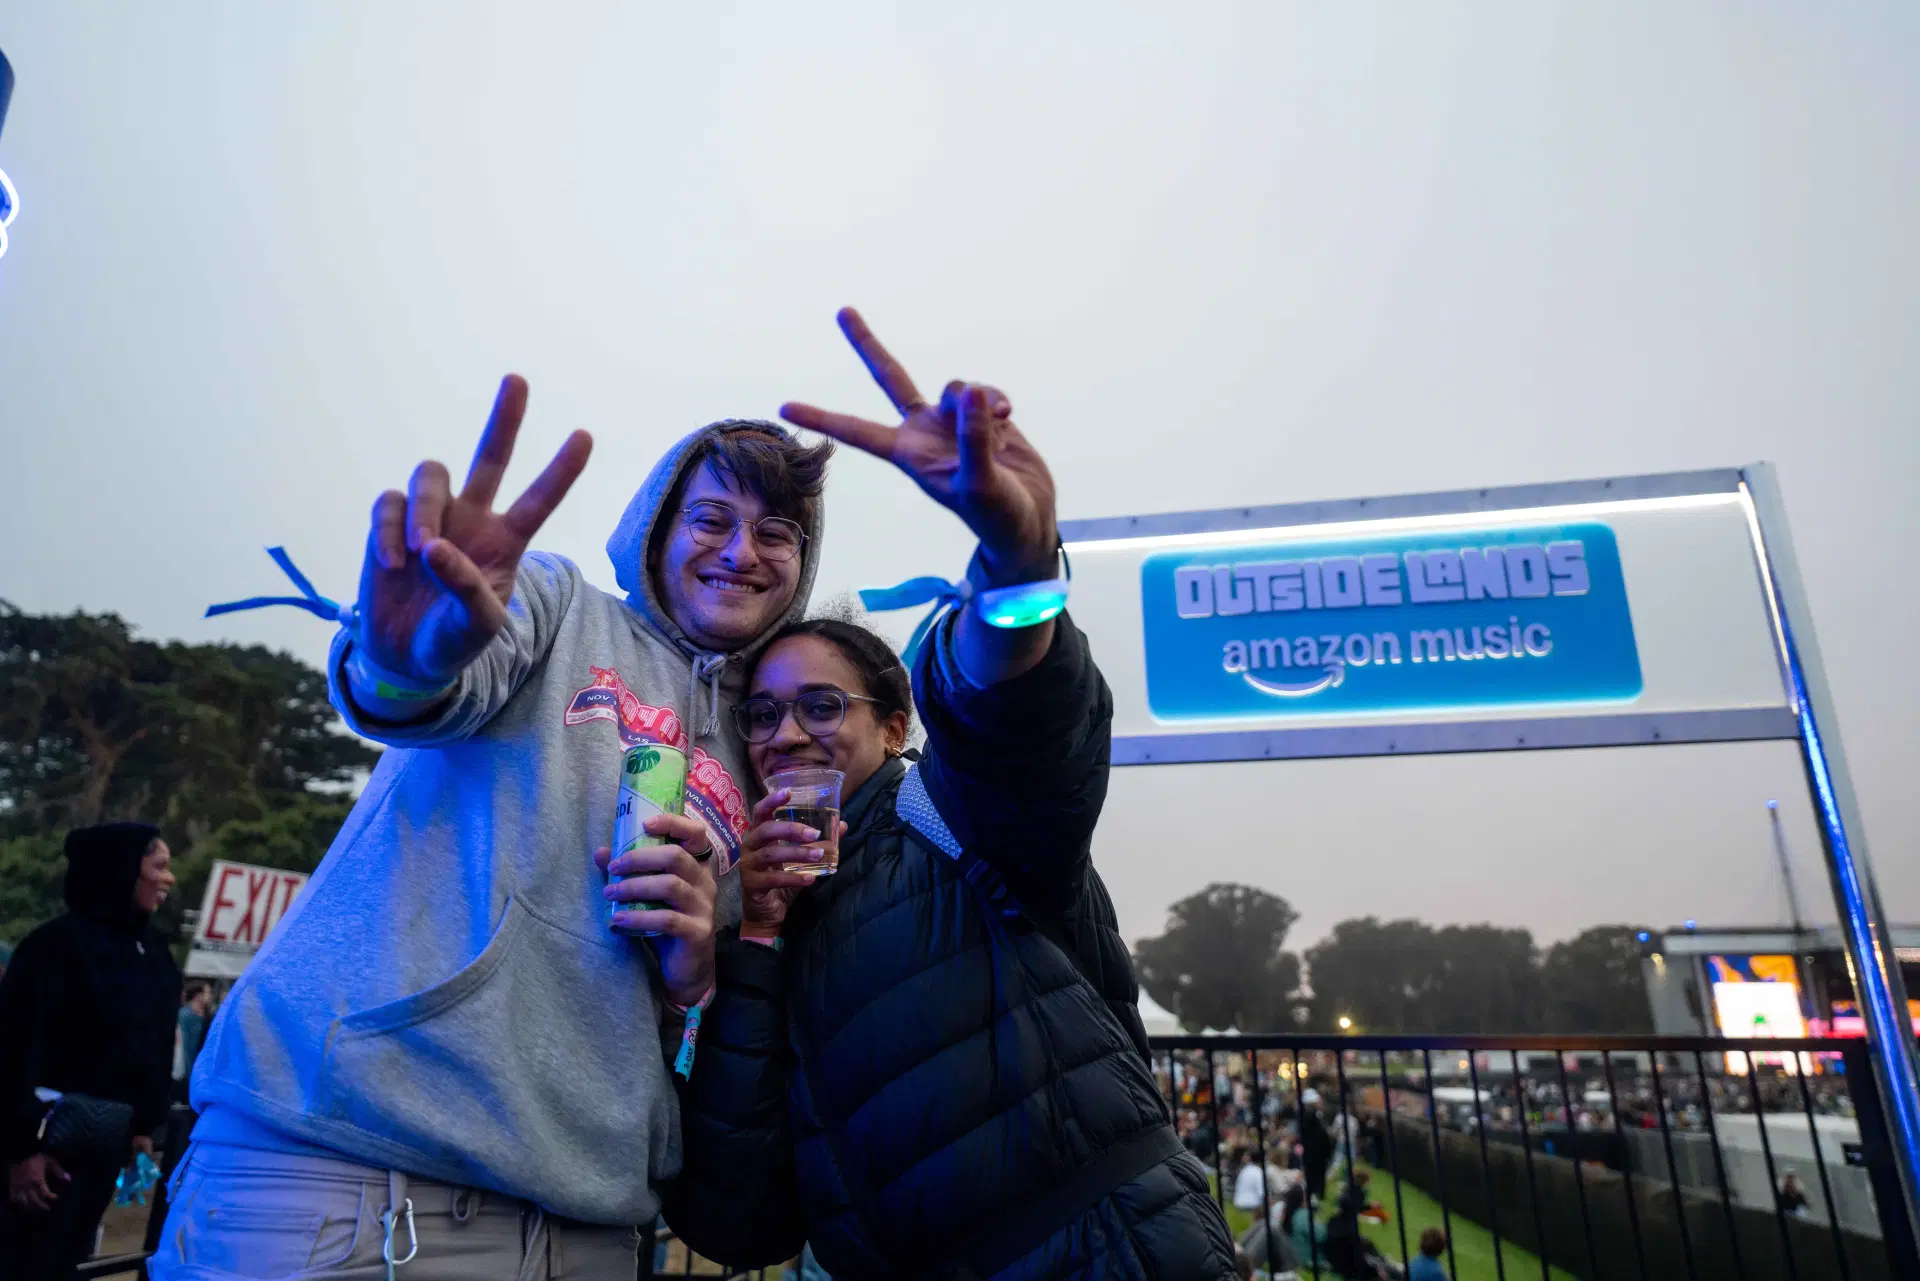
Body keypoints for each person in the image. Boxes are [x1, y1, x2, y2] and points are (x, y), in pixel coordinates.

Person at [154, 378, 832, 1279]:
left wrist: (696, 970)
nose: (742, 551)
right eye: (711, 519)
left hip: (589, 1223)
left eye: (777, 532)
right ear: (657, 530)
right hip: (344, 1168)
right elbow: (434, 689)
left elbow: (694, 1022)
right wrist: (404, 661)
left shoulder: (769, 745)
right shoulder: (557, 603)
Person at [637, 310, 1238, 1278]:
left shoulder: (953, 819)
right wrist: (755, 944)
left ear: (893, 726)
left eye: (821, 705)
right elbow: (739, 1221)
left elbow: (1016, 722)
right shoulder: (752, 912)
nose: (784, 733)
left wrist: (1017, 569)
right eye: (760, 714)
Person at [0, 822, 180, 1281]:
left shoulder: (154, 950)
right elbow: (14, 1049)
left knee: (69, 1262)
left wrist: (144, 1126)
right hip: (44, 1152)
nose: (169, 878)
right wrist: (20, 1151)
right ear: (122, 870)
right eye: (158, 865)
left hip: (105, 1147)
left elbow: (154, 1044)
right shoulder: (53, 946)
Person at [170, 982, 210, 1105]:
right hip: (188, 1068)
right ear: (198, 995)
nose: (210, 996)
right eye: (207, 993)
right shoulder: (185, 1015)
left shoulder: (207, 1015)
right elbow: (185, 1046)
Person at [1299, 1089, 1334, 1204]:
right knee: (1314, 1174)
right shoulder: (1310, 1116)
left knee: (1318, 1174)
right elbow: (1317, 1135)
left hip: (1318, 1152)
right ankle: (1314, 1194)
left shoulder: (1315, 1115)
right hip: (1315, 1153)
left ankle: (1317, 1193)